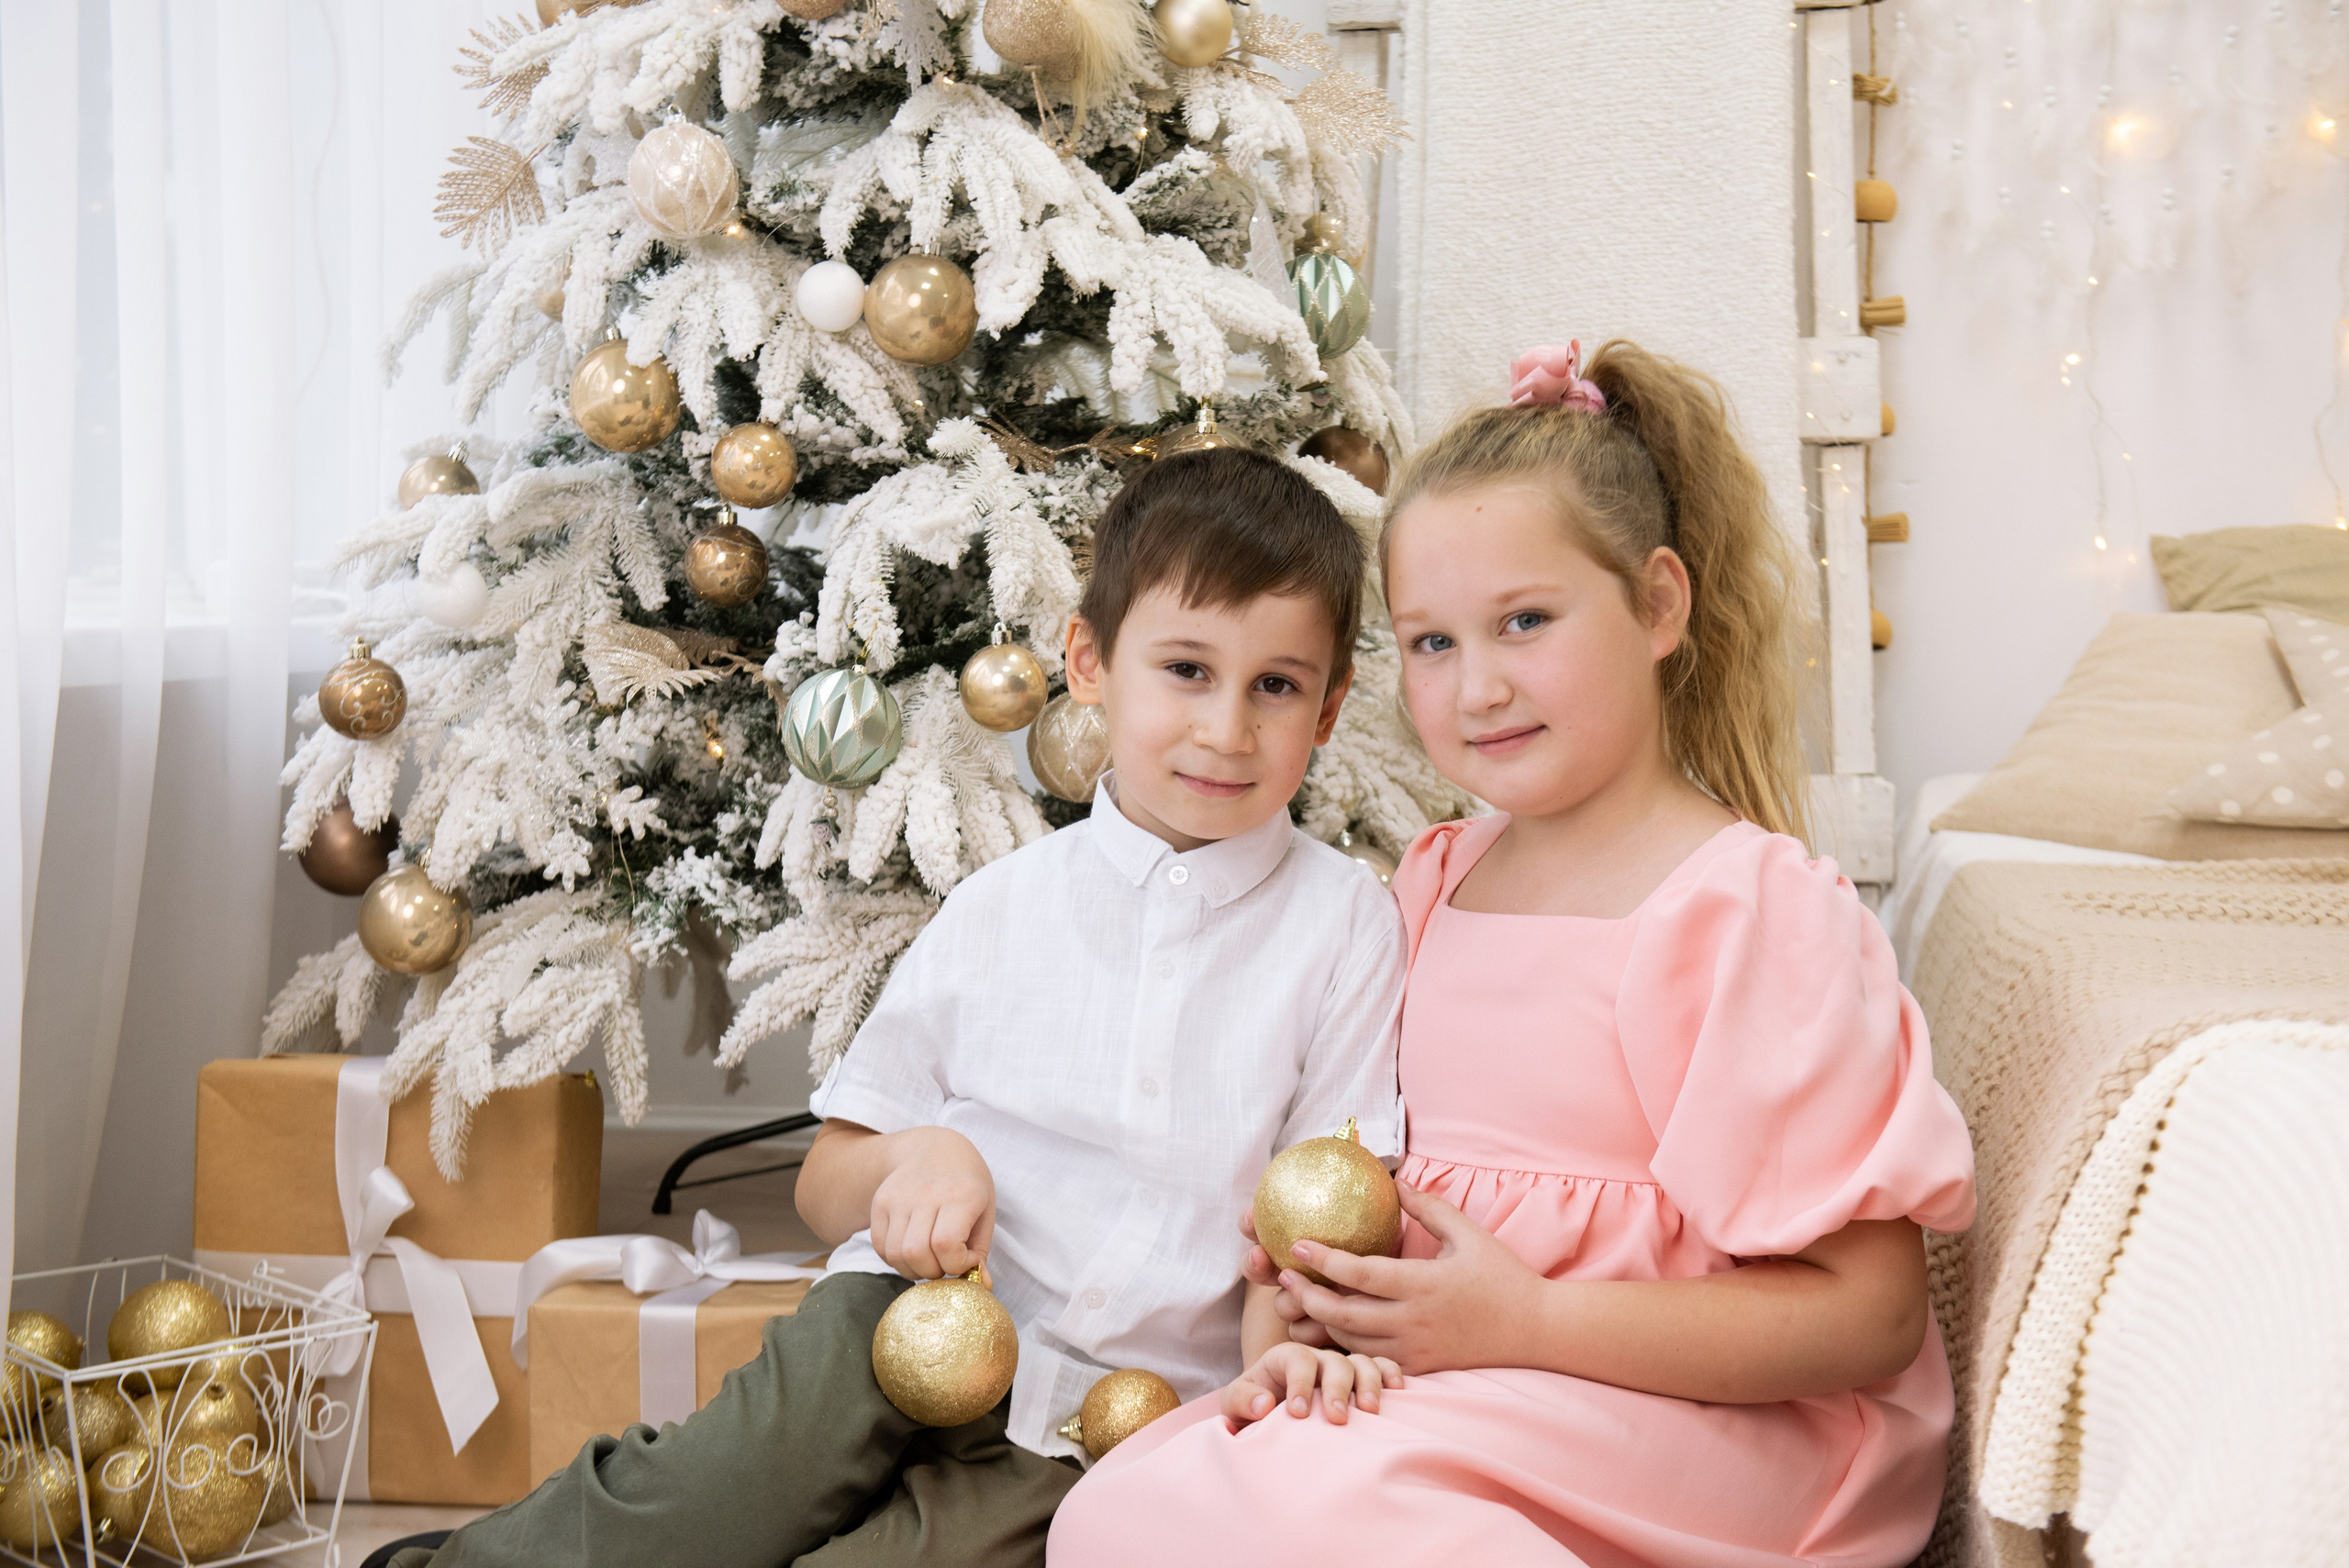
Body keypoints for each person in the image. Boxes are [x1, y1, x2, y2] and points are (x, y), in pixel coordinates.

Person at [384, 448, 1407, 1568]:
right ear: (1089, 663)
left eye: (1276, 684)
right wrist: (917, 1158)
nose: (1227, 727)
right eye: (1186, 669)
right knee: (700, 1501)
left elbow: (1318, 1213)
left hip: (1105, 1420)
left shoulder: (1344, 924)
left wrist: (1275, 1370)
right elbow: (829, 1182)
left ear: (1328, 706)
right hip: (889, 1322)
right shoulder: (1001, 906)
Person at [1047, 342, 1979, 1568]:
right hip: (1470, 1384)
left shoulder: (1742, 910)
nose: (1477, 686)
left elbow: (1869, 1317)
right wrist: (1316, 1295)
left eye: (1524, 622)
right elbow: (1373, 1163)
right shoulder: (1436, 878)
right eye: (1431, 643)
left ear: (1658, 603)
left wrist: (1525, 1318)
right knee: (1125, 1509)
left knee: (1321, 1513)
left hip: (1711, 1423)